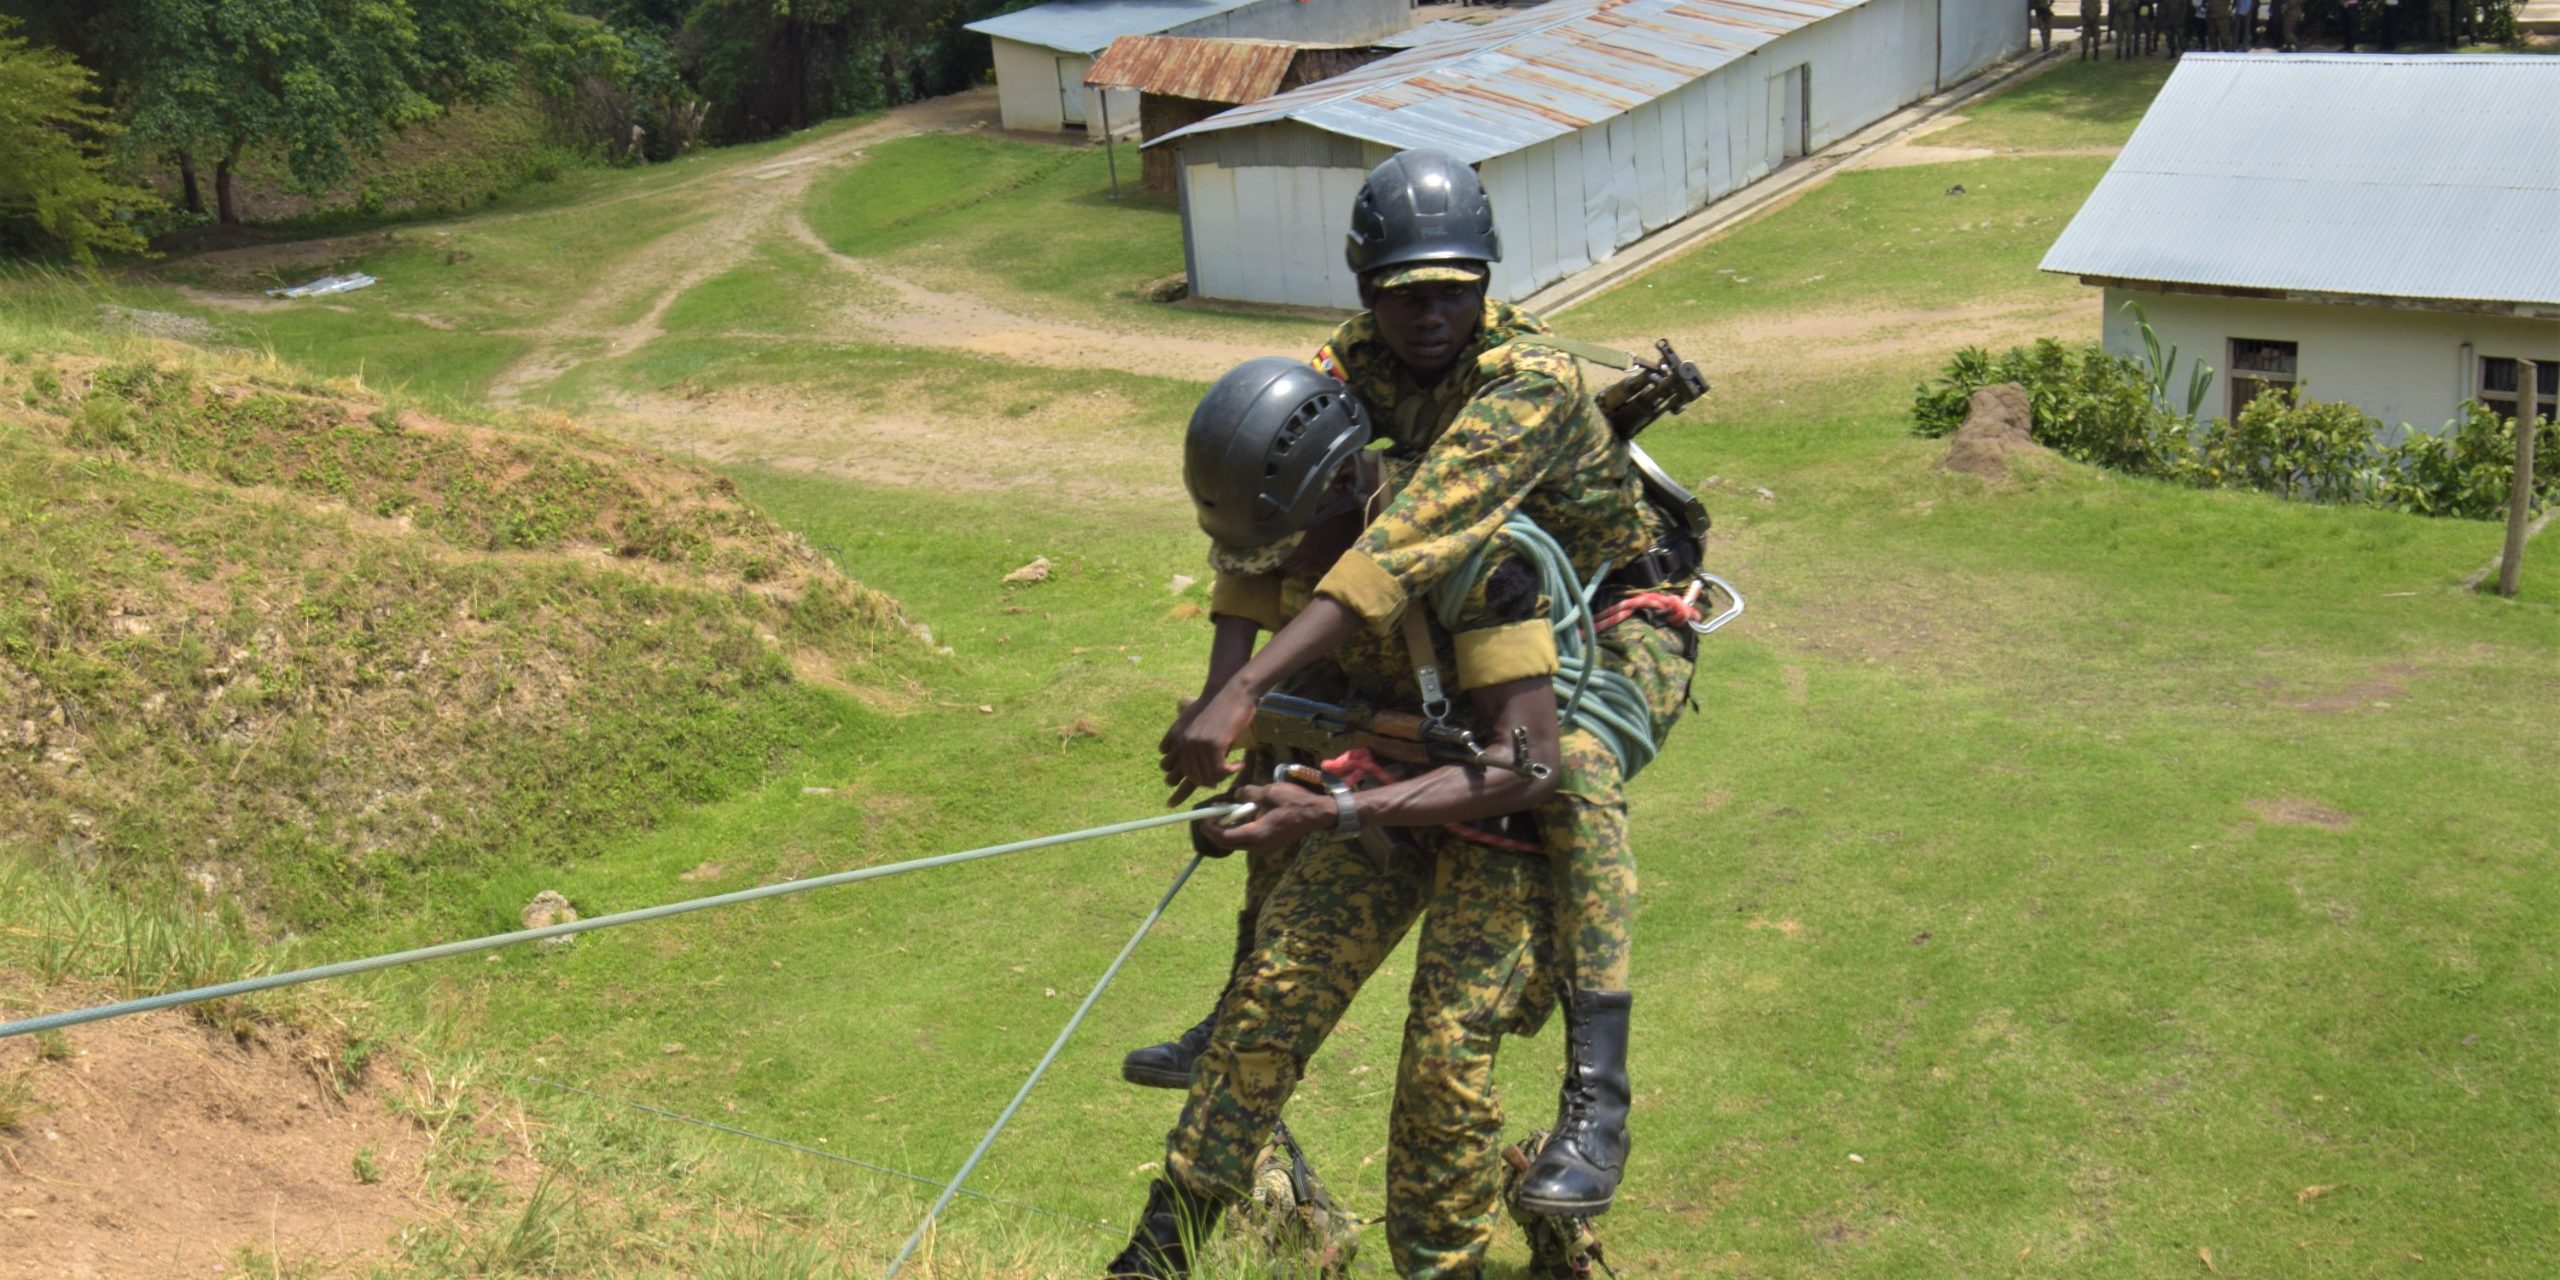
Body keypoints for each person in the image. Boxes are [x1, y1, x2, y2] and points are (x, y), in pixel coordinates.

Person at [1156, 149, 1704, 1223]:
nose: (1428, 311)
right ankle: (1237, 1011)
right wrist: (1229, 696)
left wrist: (1248, 680)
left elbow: (1407, 538)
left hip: (1609, 615)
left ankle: (1599, 1095)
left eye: (1452, 285)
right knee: (1289, 726)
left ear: (1485, 278)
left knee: (1572, 769)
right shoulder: (1339, 363)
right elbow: (1268, 521)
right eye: (1405, 289)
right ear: (1367, 289)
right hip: (1465, 615)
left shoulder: (1530, 382)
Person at [1110, 359, 1576, 1279]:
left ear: (1340, 488)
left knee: (1445, 1069)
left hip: (1504, 819)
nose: (1276, 571)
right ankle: (1153, 1261)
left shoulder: (1480, 553)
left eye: (1285, 547)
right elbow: (1289, 698)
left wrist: (1331, 812)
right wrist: (1255, 793)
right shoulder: (1296, 537)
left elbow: (1531, 766)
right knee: (1266, 1003)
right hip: (1369, 800)